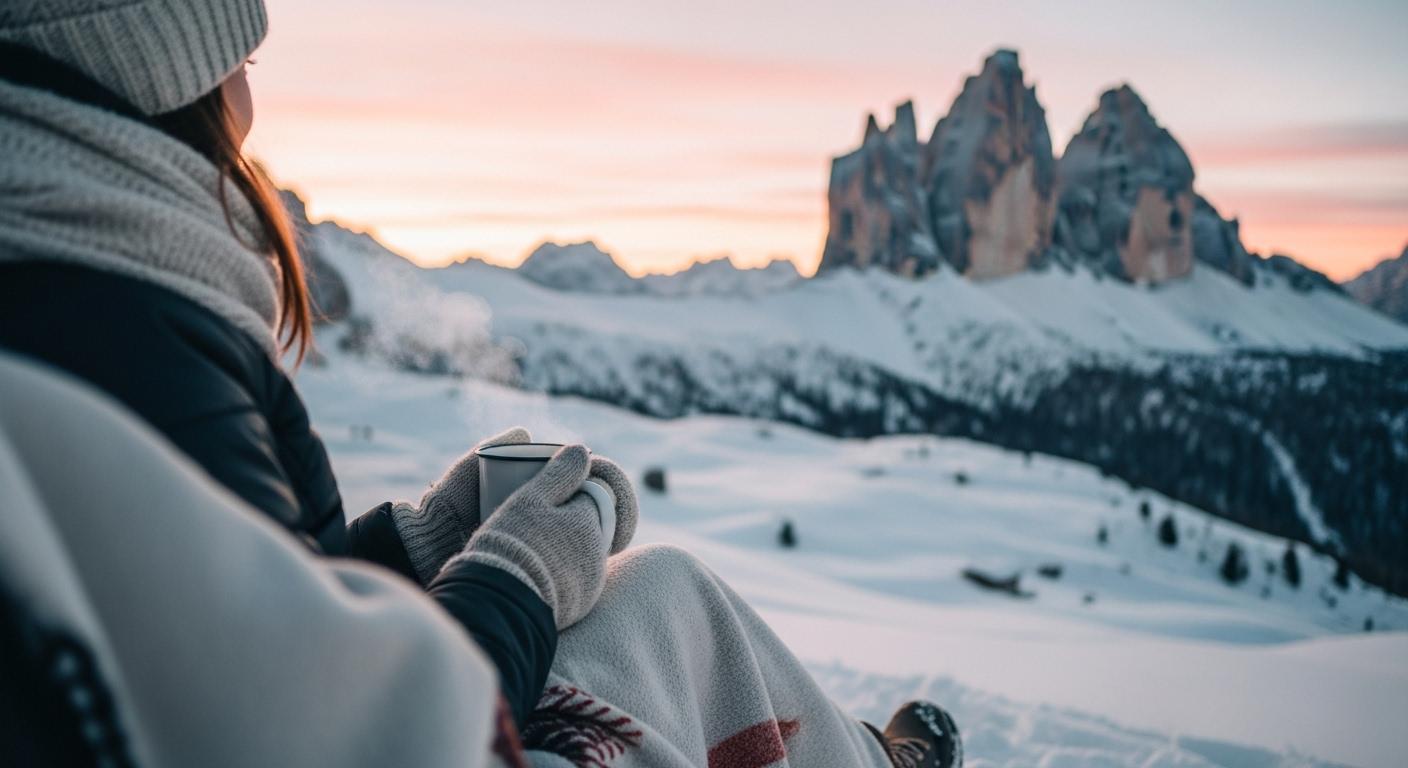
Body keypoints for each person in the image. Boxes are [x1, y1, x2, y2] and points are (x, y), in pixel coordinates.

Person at [0, 1, 961, 766]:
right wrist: (516, 577)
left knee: (658, 603)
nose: (250, 98)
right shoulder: (114, 327)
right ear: (155, 66)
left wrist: (415, 547)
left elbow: (229, 620)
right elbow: (349, 739)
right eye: (239, 61)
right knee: (669, 605)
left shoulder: (62, 281)